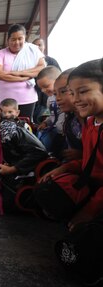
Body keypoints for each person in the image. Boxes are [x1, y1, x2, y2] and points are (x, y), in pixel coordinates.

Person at [38, 58, 103, 231]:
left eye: (82, 91)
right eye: (73, 93)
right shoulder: (91, 123)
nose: (75, 100)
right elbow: (89, 163)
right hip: (92, 185)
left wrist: (90, 210)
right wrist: (64, 169)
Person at [0, 24, 46, 120]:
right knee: (5, 126)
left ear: (25, 38)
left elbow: (41, 68)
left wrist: (17, 72)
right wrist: (24, 77)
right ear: (8, 40)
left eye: (20, 39)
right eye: (13, 39)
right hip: (5, 101)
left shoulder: (32, 50)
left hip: (27, 99)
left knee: (25, 126)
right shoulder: (0, 54)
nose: (17, 42)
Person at [36, 66, 66, 158]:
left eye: (46, 86)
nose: (43, 90)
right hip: (58, 132)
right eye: (41, 88)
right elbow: (52, 115)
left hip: (68, 133)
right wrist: (46, 122)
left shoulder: (67, 97)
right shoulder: (49, 99)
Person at [54, 68, 83, 162]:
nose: (57, 98)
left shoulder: (96, 122)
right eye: (55, 94)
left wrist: (82, 154)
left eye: (63, 91)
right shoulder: (71, 121)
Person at [32, 37, 61, 123]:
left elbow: (59, 75)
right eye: (35, 46)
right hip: (35, 97)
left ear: (44, 46)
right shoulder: (29, 62)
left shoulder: (51, 61)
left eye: (40, 45)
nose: (37, 47)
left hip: (47, 98)